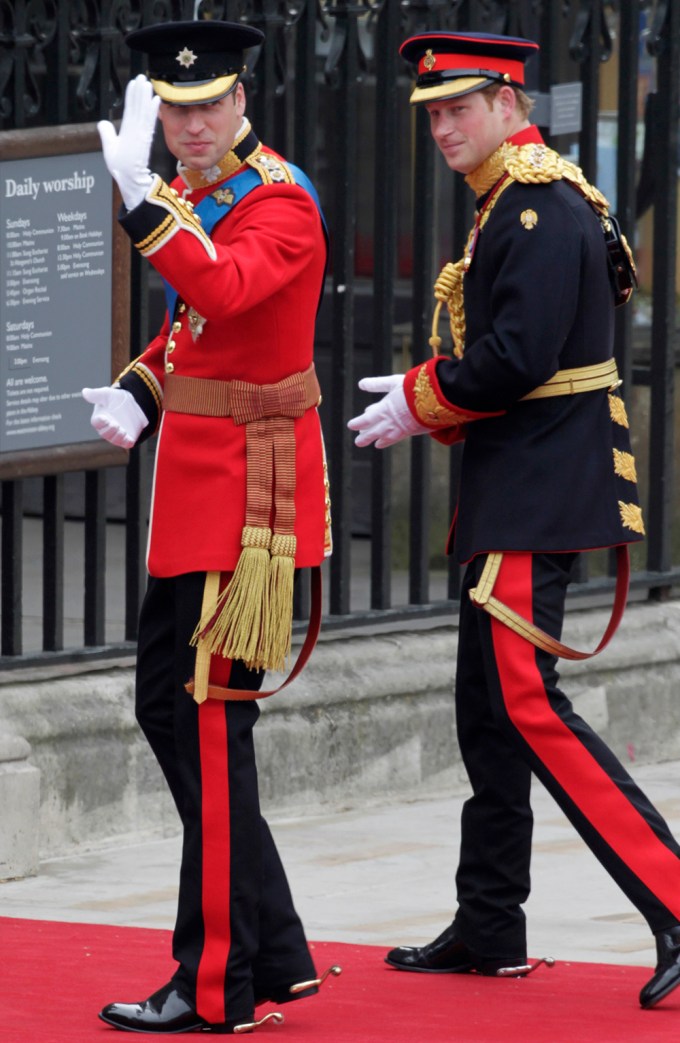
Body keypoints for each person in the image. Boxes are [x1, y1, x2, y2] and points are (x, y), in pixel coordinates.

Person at [349, 30, 680, 1010]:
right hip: (521, 482)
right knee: (487, 716)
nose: (443, 127)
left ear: (507, 98)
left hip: (535, 490)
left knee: (528, 706)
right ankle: (490, 918)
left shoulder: (533, 208)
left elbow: (513, 356)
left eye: (459, 106)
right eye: (433, 113)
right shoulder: (521, 196)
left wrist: (420, 395)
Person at [82, 19, 337, 1035]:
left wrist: (143, 204)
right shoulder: (203, 192)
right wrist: (143, 388)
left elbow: (226, 287)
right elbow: (192, 329)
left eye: (205, 104)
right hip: (195, 484)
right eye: (172, 107)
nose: (188, 123)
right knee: (166, 708)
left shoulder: (277, 197)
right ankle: (273, 944)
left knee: (211, 730)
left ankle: (219, 976)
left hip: (249, 499)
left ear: (240, 102)